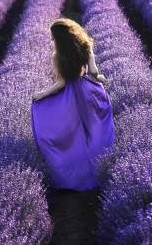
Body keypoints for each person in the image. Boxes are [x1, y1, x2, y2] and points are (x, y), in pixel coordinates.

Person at [31, 18, 115, 191]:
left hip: (70, 96)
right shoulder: (86, 46)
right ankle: (100, 165)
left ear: (60, 39)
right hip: (89, 91)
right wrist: (99, 78)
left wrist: (43, 94)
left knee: (71, 133)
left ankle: (71, 172)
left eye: (53, 37)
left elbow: (61, 83)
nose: (52, 40)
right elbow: (93, 72)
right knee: (93, 129)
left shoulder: (59, 56)